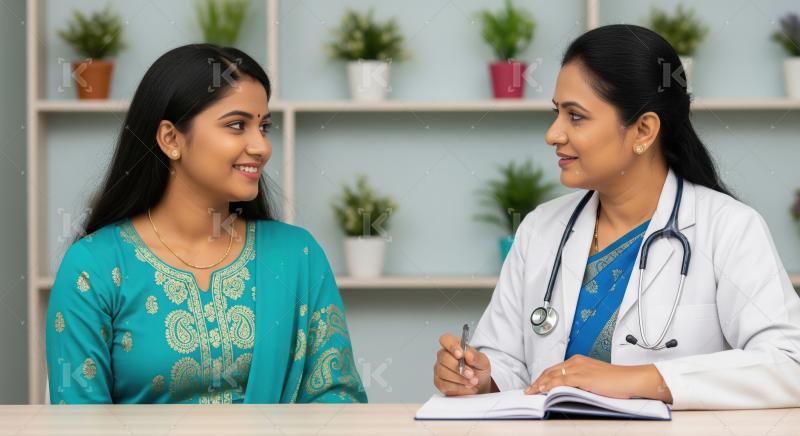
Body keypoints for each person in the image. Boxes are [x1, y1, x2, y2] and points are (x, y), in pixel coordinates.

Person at [433, 24, 800, 410]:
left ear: (643, 130)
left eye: (575, 116)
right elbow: (510, 364)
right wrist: (481, 378)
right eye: (557, 113)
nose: (553, 134)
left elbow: (790, 363)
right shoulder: (541, 228)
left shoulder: (728, 228)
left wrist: (640, 379)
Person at [46, 44, 366, 404]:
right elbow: (79, 419)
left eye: (264, 127)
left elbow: (338, 402)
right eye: (237, 125)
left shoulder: (296, 255)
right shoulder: (95, 267)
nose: (261, 147)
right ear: (171, 139)